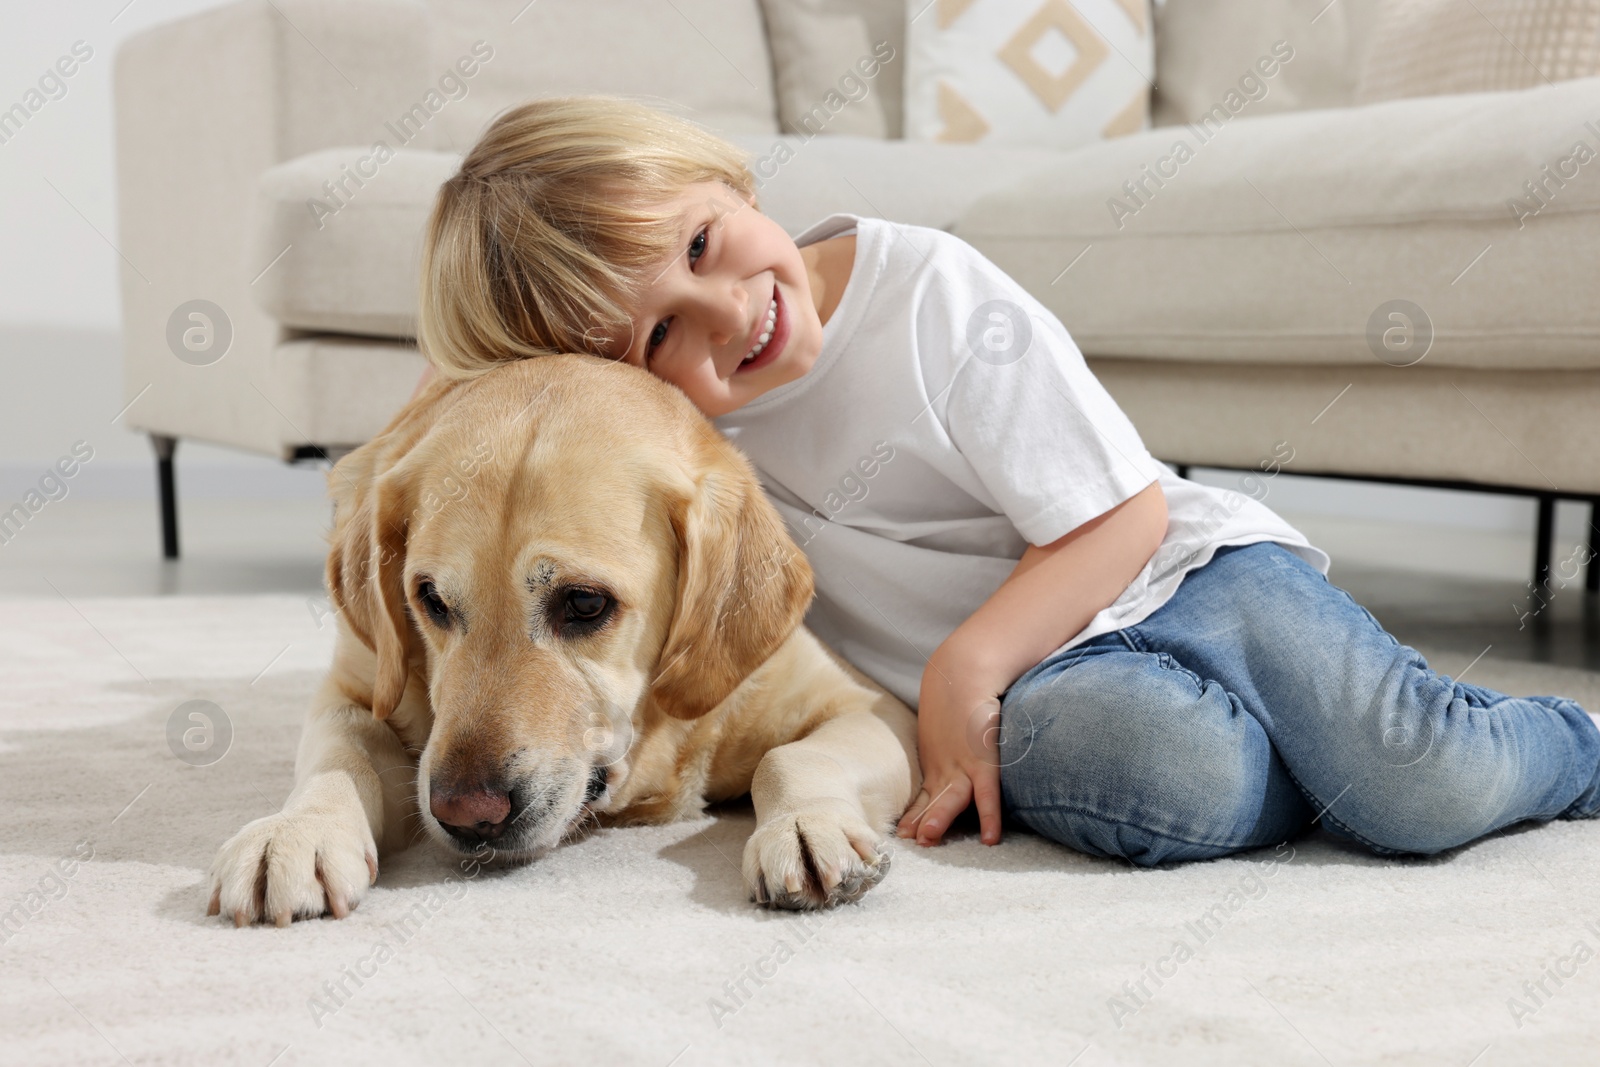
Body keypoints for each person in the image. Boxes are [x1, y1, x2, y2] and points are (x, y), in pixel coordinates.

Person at [407, 95, 1600, 866]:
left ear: (731, 184)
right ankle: (1313, 769)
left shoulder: (927, 289)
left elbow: (1123, 511)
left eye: (705, 247)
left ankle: (1565, 745)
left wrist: (963, 669)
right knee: (1163, 785)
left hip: (1180, 578)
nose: (727, 313)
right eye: (659, 336)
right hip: (1053, 690)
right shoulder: (661, 451)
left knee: (1419, 785)